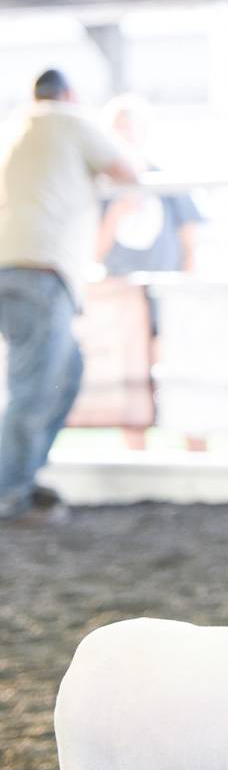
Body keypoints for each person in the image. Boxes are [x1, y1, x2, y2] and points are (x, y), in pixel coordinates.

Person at [0, 69, 138, 523]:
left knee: (65, 372)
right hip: (39, 270)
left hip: (19, 268)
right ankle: (10, 494)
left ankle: (22, 476)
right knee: (34, 387)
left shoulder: (18, 126)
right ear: (69, 94)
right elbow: (127, 171)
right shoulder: (68, 119)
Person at [96, 94, 205, 451]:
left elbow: (191, 240)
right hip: (123, 298)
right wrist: (117, 213)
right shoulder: (101, 189)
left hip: (167, 296)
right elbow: (92, 249)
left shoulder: (165, 180)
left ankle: (197, 456)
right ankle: (136, 460)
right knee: (129, 383)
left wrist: (189, 289)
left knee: (181, 376)